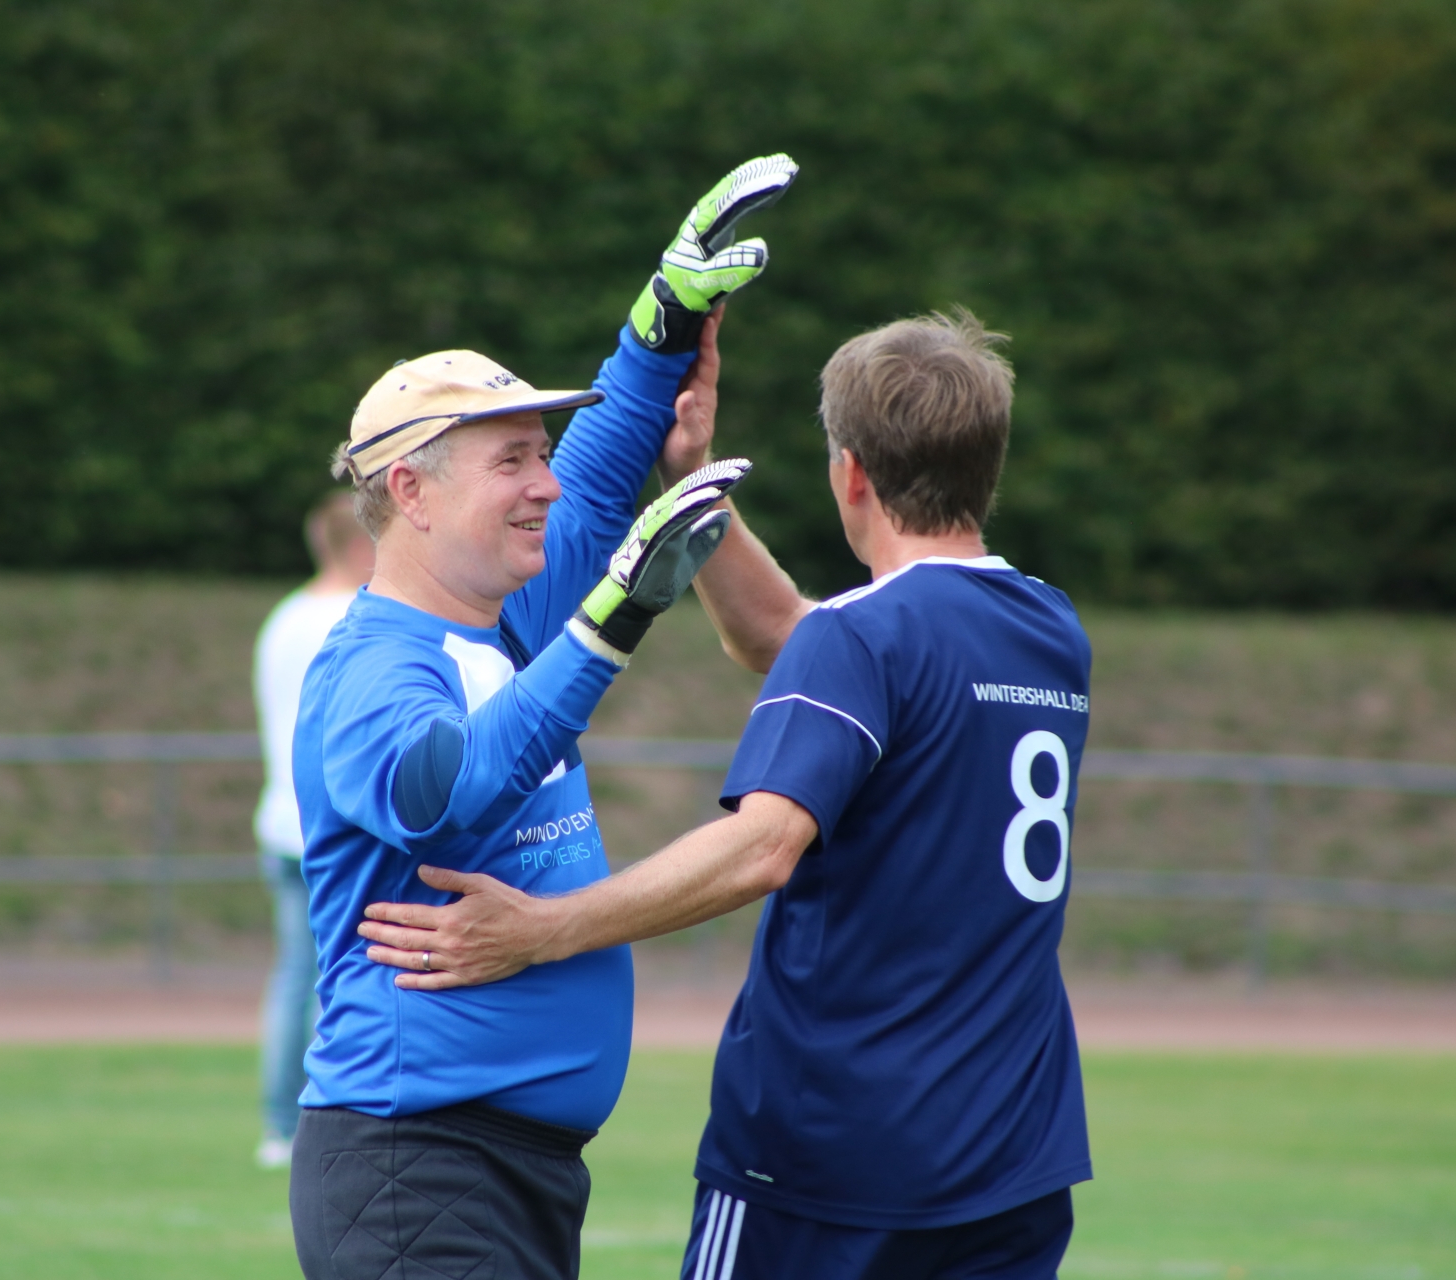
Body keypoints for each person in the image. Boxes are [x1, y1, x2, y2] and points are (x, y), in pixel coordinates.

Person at [359, 310, 1094, 1280]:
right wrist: (692, 481)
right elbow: (783, 636)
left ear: (851, 474)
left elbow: (763, 845)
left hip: (837, 1139)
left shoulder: (861, 637)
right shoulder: (1048, 625)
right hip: (1015, 1144)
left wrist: (547, 928)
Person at [288, 156, 801, 1280]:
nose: (547, 484)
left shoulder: (501, 618)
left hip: (497, 1169)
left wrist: (666, 316)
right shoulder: (368, 668)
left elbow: (609, 462)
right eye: (512, 461)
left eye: (540, 454)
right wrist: (610, 622)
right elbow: (444, 789)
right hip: (413, 1169)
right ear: (411, 493)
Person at [251, 492, 376, 1169]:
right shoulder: (352, 619)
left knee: (294, 977)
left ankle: (279, 1126)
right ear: (359, 546)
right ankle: (329, 1116)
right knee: (341, 980)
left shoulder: (283, 617)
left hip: (279, 822)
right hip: (332, 831)